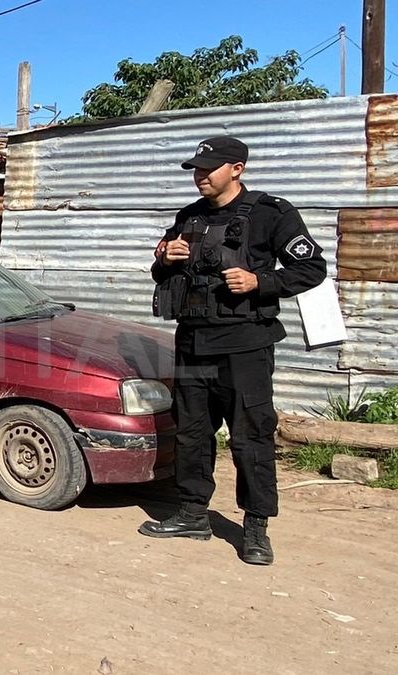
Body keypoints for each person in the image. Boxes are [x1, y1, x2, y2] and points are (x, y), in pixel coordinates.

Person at [140, 136, 327, 565]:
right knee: (191, 432)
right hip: (192, 342)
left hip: (245, 345)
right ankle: (192, 513)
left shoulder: (270, 214)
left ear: (237, 169)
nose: (200, 176)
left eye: (209, 169)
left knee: (250, 437)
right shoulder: (188, 216)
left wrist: (263, 282)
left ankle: (256, 525)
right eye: (196, 169)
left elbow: (312, 267)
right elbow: (159, 272)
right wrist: (166, 257)